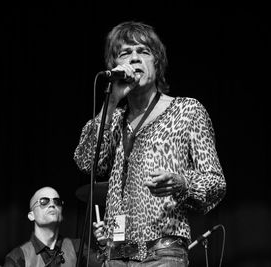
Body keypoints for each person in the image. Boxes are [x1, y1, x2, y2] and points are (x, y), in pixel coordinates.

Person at [74, 21, 226, 266]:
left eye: (143, 52)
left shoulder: (186, 110)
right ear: (115, 66)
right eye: (125, 53)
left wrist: (182, 182)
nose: (134, 59)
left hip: (162, 254)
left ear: (158, 63)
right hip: (114, 256)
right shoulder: (114, 119)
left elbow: (216, 183)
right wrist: (111, 102)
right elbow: (85, 161)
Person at [3, 186, 98, 267]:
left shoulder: (77, 247)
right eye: (44, 201)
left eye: (57, 201)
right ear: (31, 216)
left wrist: (104, 245)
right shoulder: (17, 256)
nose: (52, 205)